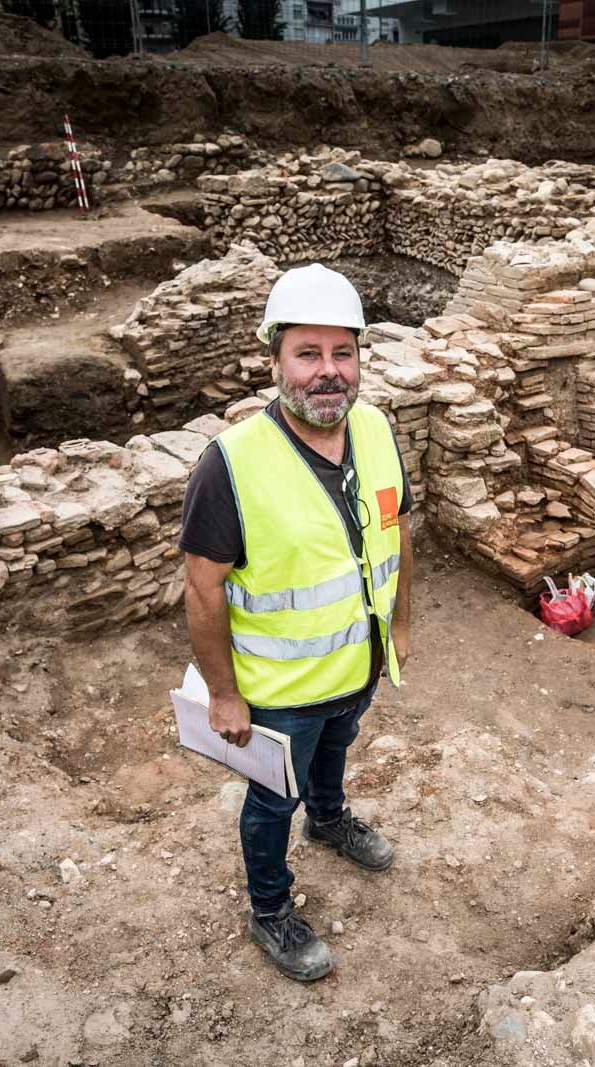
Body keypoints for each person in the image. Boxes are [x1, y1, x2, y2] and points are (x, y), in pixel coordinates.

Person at [180, 263, 414, 983]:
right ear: (275, 359)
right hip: (279, 689)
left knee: (337, 750)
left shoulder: (375, 427)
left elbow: (398, 529)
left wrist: (399, 625)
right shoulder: (231, 463)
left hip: (359, 665)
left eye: (343, 353)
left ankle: (332, 816)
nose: (328, 372)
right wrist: (224, 694)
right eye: (307, 353)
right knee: (270, 799)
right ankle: (271, 908)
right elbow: (202, 588)